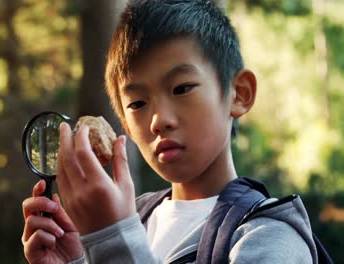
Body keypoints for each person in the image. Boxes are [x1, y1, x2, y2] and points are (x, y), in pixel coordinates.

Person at [21, 0, 319, 263]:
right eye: (137, 103)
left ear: (238, 94)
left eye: (181, 88)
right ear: (124, 124)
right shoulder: (133, 218)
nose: (158, 120)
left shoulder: (270, 236)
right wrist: (76, 260)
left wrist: (112, 238)